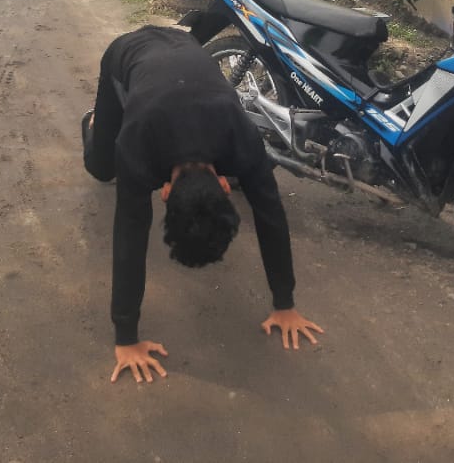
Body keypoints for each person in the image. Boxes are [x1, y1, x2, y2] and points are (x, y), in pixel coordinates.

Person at [82, 25, 322, 383]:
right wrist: (125, 337)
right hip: (126, 54)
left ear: (225, 185)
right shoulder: (136, 148)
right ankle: (94, 122)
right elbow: (129, 237)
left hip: (184, 45)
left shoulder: (242, 141)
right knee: (101, 168)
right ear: (164, 193)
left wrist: (284, 303)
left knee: (259, 188)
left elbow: (271, 214)